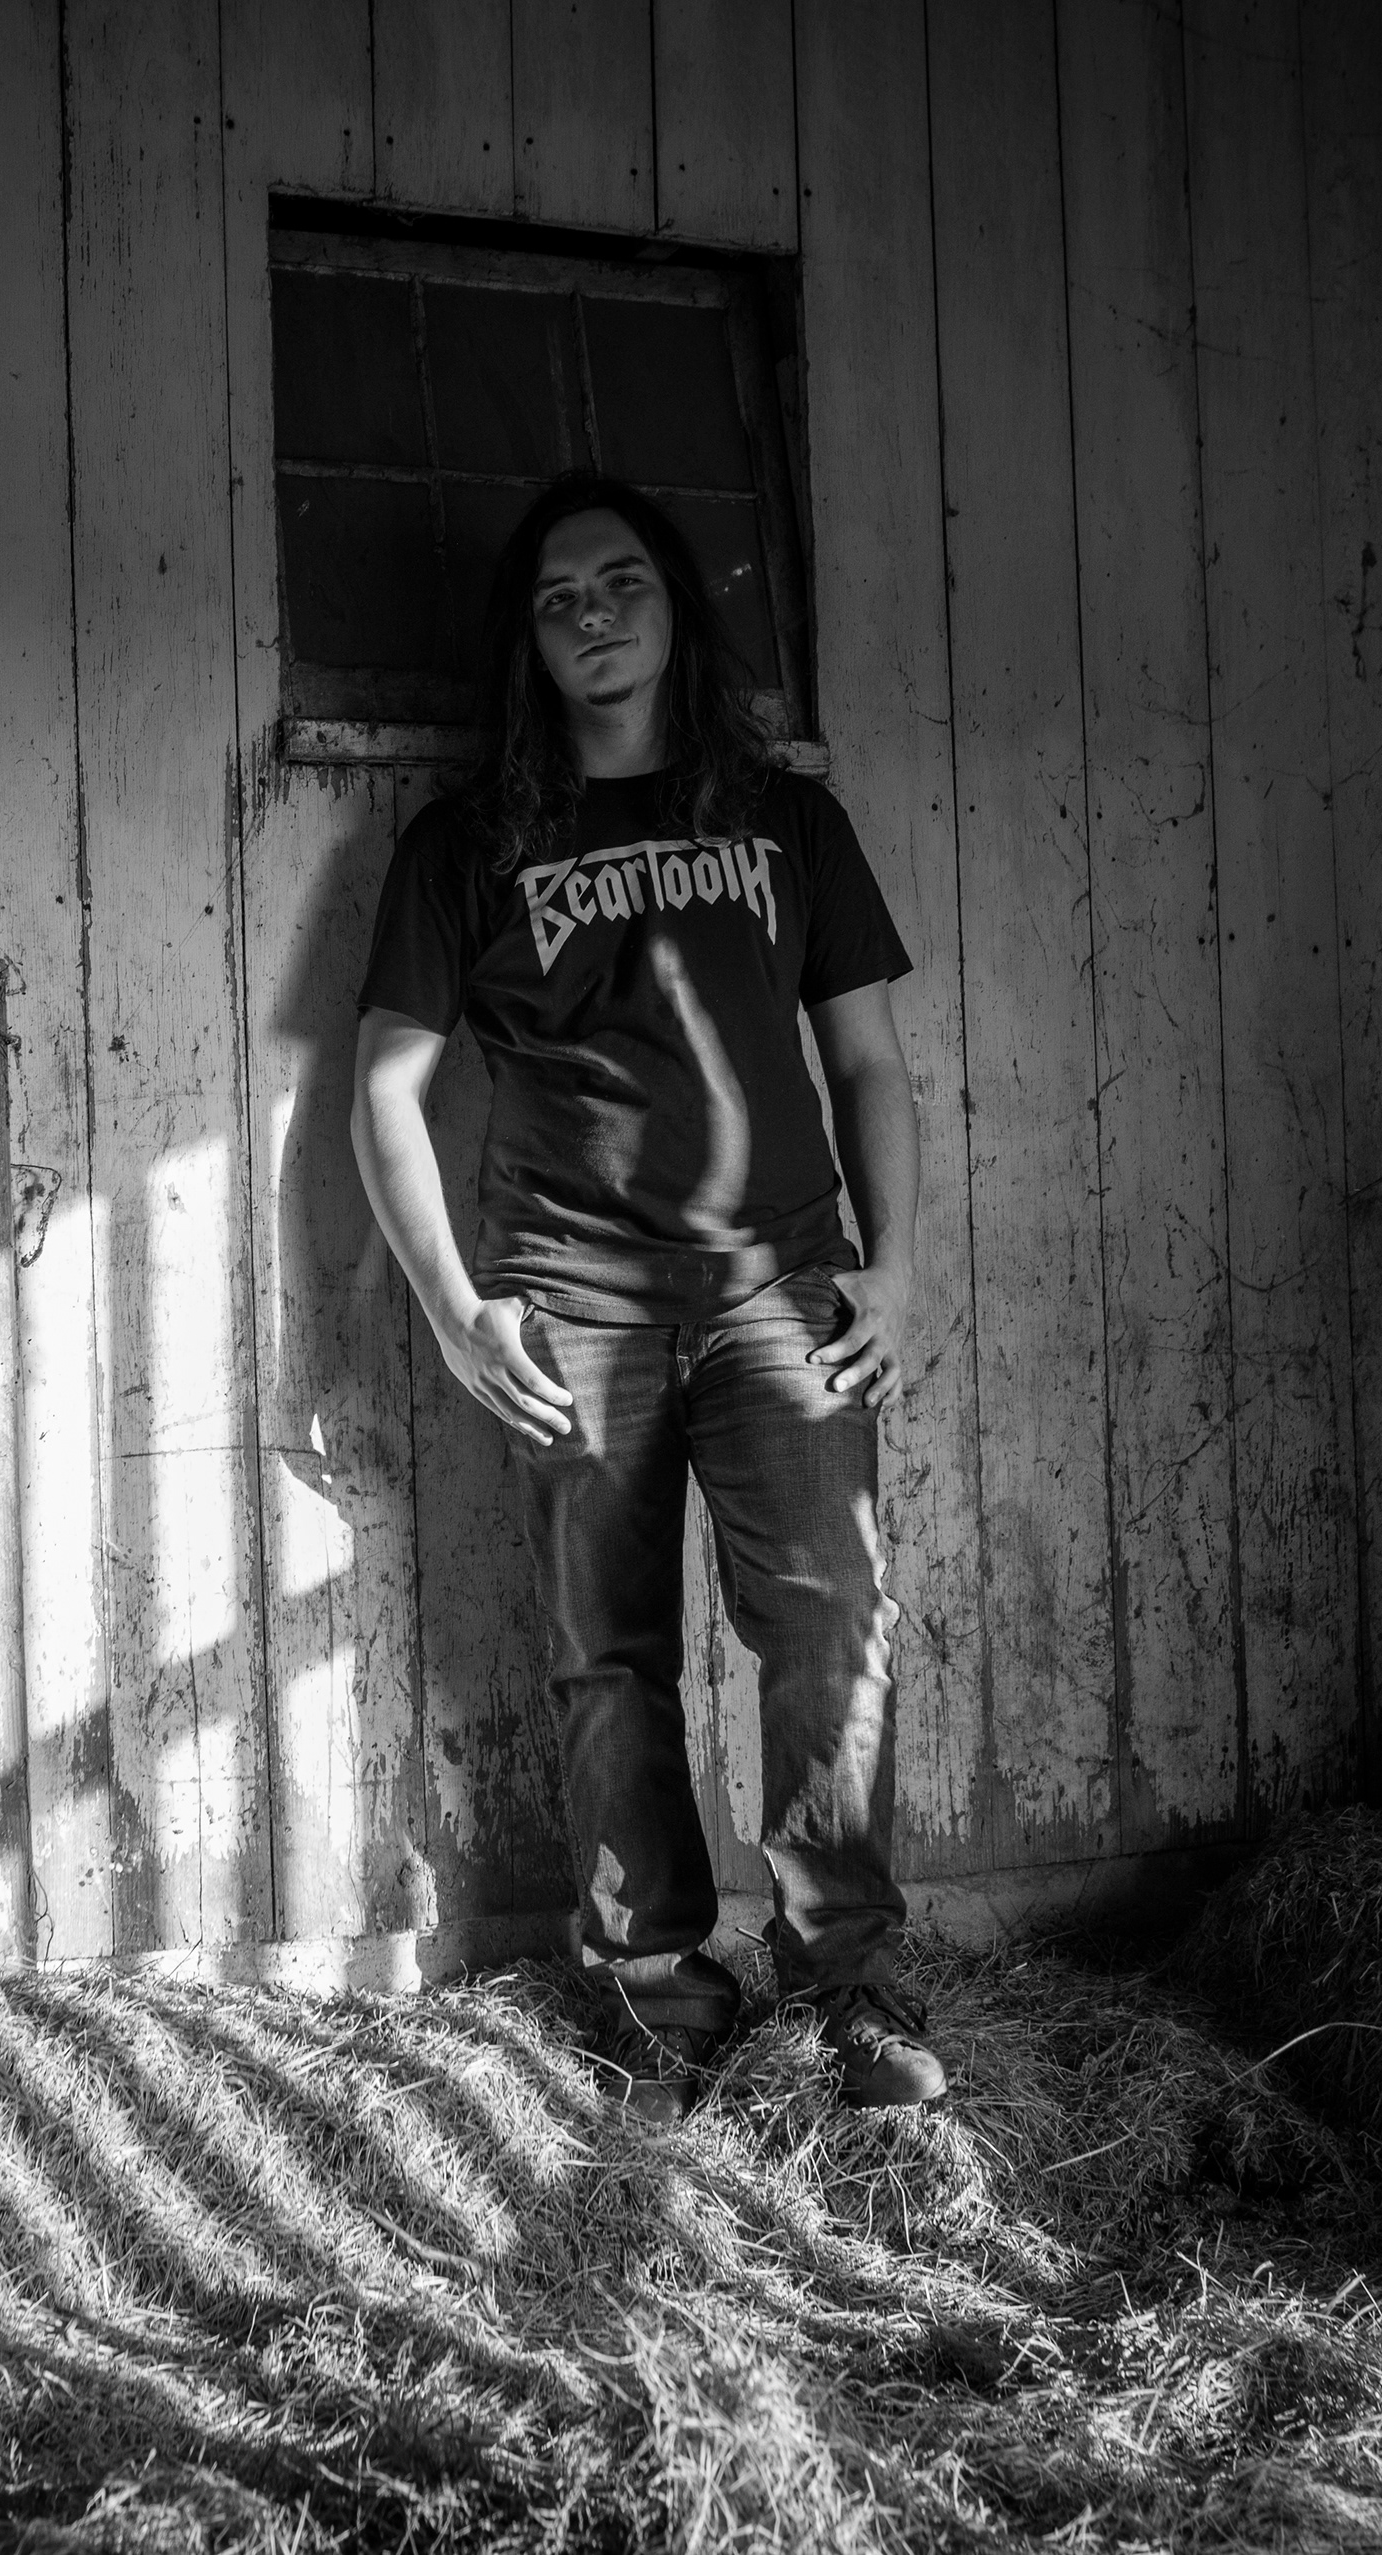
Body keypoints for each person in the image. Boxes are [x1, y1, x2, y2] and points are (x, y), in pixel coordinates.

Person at [348, 472, 945, 2121]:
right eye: (560, 599)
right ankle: (660, 1994)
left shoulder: (790, 822)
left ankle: (848, 1989)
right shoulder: (468, 844)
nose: (594, 616)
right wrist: (458, 1310)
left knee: (832, 1620)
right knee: (608, 1659)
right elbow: (383, 1091)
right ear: (528, 643)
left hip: (781, 1293)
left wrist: (899, 1270)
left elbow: (869, 1062)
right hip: (569, 1307)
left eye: (622, 583)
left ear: (677, 606)